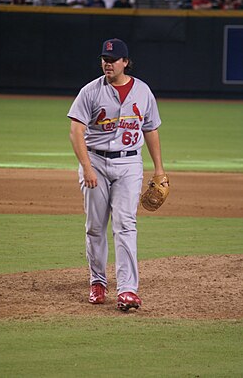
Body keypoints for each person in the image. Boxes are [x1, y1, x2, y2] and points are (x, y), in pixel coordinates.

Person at [67, 38, 168, 311]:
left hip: (129, 165)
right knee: (96, 226)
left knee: (125, 224)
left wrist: (159, 168)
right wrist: (87, 166)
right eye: (104, 59)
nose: (107, 64)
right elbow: (76, 131)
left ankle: (127, 290)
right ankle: (97, 282)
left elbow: (151, 130)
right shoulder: (90, 91)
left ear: (125, 62)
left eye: (112, 60)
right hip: (96, 162)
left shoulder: (143, 92)